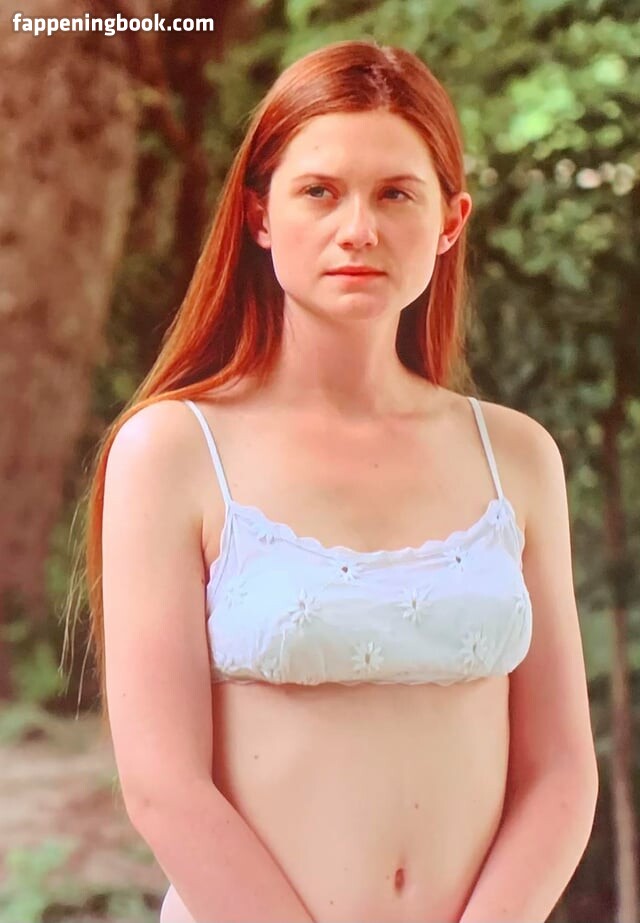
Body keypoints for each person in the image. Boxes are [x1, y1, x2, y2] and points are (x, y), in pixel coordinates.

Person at [73, 39, 598, 923]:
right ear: (260, 215)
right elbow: (164, 785)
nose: (358, 228)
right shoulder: (172, 451)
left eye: (396, 193)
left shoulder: (515, 456)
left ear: (450, 221)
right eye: (319, 191)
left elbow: (561, 772)